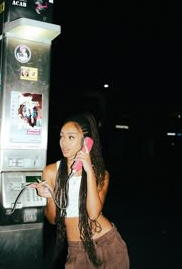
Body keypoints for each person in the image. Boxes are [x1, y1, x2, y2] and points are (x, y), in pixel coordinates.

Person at [31, 112, 130, 268]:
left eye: (71, 137)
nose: (64, 142)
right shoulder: (51, 171)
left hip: (108, 243)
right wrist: (50, 196)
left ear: (86, 142)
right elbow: (52, 219)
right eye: (61, 136)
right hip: (76, 249)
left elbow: (93, 213)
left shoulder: (100, 174)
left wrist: (89, 170)